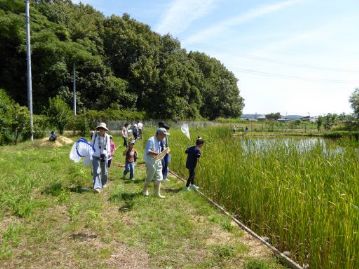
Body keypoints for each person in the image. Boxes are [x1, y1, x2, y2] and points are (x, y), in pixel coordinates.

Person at [143, 128, 170, 198]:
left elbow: (159, 150)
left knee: (159, 177)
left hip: (158, 160)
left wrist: (165, 151)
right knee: (150, 177)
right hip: (150, 161)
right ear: (159, 134)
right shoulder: (151, 140)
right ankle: (144, 190)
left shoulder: (160, 140)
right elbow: (148, 151)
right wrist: (158, 154)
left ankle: (157, 193)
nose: (164, 137)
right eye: (164, 135)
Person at [91, 122, 111, 193]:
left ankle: (104, 182)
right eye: (100, 129)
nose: (101, 130)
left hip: (104, 156)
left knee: (104, 171)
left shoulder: (107, 136)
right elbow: (92, 143)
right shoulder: (95, 135)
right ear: (98, 129)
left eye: (103, 129)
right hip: (95, 155)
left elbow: (108, 146)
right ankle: (97, 187)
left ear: (105, 130)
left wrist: (108, 153)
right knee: (96, 171)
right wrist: (91, 152)